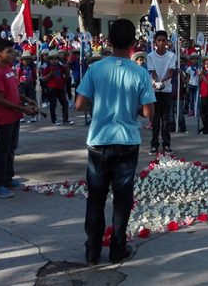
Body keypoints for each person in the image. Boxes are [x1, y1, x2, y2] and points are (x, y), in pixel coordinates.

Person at [75, 18, 156, 265]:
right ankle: (117, 248)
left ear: (108, 41)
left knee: (95, 198)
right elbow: (148, 112)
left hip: (98, 141)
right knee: (122, 199)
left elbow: (79, 104)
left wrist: (100, 103)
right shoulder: (140, 73)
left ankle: (92, 250)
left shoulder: (96, 69)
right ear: (134, 43)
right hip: (126, 142)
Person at [0, 38, 39, 198]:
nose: (13, 54)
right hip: (4, 118)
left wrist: (25, 99)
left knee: (11, 149)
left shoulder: (9, 70)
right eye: (8, 52)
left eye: (13, 51)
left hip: (14, 116)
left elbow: (13, 91)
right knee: (1, 151)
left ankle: (7, 178)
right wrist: (24, 109)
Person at [146, 30, 177, 154]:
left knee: (166, 120)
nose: (161, 42)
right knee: (155, 119)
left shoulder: (171, 56)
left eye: (164, 40)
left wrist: (162, 82)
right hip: (154, 90)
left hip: (166, 90)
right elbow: (152, 71)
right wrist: (155, 82)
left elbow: (170, 72)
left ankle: (166, 144)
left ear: (167, 42)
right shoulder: (150, 56)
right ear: (155, 42)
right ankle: (154, 145)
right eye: (159, 40)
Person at [42, 50, 73, 126]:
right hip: (51, 88)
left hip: (60, 87)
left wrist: (67, 68)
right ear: (49, 60)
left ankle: (65, 119)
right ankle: (54, 120)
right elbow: (43, 78)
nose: (54, 60)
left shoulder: (60, 66)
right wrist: (51, 73)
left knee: (65, 103)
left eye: (56, 59)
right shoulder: (47, 67)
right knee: (53, 104)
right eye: (52, 59)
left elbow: (67, 75)